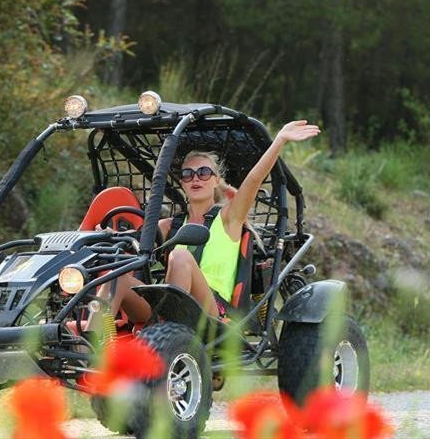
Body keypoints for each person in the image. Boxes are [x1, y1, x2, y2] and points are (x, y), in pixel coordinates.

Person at [94, 120, 320, 324]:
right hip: (162, 309)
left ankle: (167, 331)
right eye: (187, 174)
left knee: (181, 256)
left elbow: (254, 179)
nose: (195, 178)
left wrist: (279, 140)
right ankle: (89, 347)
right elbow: (132, 248)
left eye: (203, 172)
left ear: (216, 180)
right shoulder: (168, 226)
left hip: (213, 312)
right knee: (118, 273)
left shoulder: (229, 218)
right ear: (181, 183)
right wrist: (108, 237)